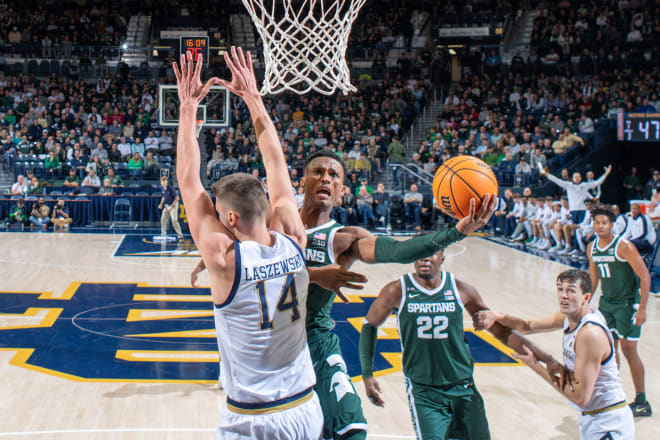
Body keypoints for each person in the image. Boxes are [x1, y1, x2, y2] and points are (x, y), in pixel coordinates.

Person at [174, 48, 324, 439]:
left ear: (230, 219)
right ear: (266, 205)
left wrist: (188, 106)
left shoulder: (223, 259)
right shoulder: (293, 234)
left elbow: (189, 183)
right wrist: (253, 97)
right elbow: (275, 163)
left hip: (252, 418)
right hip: (306, 408)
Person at [298, 148, 497, 440]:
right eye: (318, 172)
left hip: (315, 338)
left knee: (351, 426)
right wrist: (313, 276)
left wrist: (456, 231)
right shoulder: (273, 222)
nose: (325, 178)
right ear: (302, 182)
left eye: (334, 175)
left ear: (342, 191)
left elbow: (399, 251)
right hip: (271, 338)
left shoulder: (345, 239)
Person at [360, 250, 565, 440]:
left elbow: (501, 331)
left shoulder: (460, 289)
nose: (425, 259)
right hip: (424, 391)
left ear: (442, 258)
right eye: (420, 253)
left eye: (432, 254)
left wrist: (547, 359)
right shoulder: (396, 290)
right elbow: (369, 325)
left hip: (463, 386)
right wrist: (367, 374)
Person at [476, 269, 635, 439]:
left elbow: (581, 398)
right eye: (560, 289)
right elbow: (526, 325)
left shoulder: (590, 334)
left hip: (608, 422)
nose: (563, 296)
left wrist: (537, 366)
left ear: (586, 297)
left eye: (571, 290)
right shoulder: (570, 317)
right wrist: (497, 316)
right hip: (594, 417)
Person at [587, 205, 652, 417]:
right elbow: (594, 277)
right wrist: (586, 302)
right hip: (607, 303)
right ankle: (613, 396)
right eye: (597, 222)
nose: (600, 226)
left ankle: (641, 401)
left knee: (629, 351)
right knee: (608, 351)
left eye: (604, 222)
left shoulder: (623, 246)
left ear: (612, 224)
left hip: (627, 304)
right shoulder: (592, 247)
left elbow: (645, 276)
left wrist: (642, 308)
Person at [540, 164, 611, 225]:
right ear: (573, 178)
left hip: (583, 210)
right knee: (574, 229)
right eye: (575, 177)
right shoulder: (568, 185)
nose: (576, 178)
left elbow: (597, 183)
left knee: (581, 228)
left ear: (580, 178)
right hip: (573, 210)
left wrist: (606, 174)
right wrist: (546, 174)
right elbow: (556, 180)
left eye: (578, 177)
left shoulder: (585, 185)